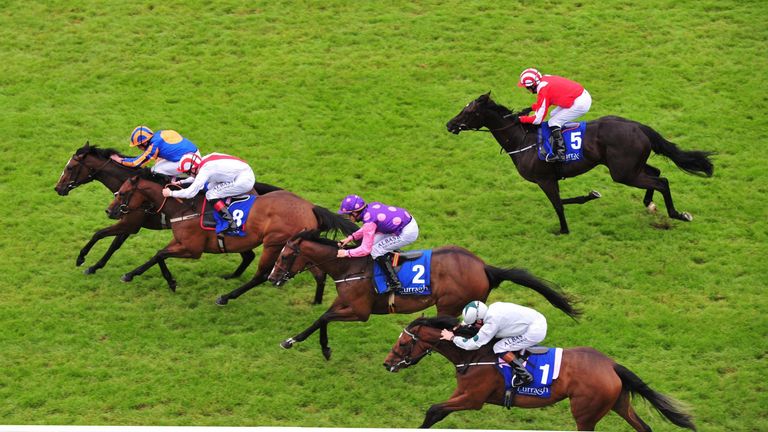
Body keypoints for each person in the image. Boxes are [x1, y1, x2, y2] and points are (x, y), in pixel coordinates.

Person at [440, 300, 548, 388]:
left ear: (479, 321)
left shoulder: (491, 323)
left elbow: (472, 344)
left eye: (474, 324)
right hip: (535, 319)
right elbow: (474, 320)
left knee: (499, 347)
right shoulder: (491, 308)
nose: (474, 326)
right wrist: (461, 324)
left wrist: (452, 338)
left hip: (535, 331)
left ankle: (524, 376)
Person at [336, 194, 419, 293]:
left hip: (407, 232)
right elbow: (367, 228)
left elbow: (365, 250)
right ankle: (392, 256)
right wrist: (351, 238)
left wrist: (346, 253)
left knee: (376, 250)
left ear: (354, 213)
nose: (348, 218)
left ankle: (395, 283)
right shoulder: (369, 209)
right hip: (402, 225)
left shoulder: (369, 221)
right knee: (374, 243)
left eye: (347, 215)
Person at [161, 153, 255, 232]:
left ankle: (231, 223)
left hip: (244, 179)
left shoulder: (205, 170)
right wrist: (182, 181)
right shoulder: (202, 161)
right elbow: (198, 177)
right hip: (240, 172)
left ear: (193, 169)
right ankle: (225, 205)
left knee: (211, 194)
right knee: (210, 187)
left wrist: (171, 193)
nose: (187, 174)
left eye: (187, 173)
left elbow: (190, 193)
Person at [516, 68, 592, 162]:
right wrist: (531, 108)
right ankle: (561, 136)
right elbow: (546, 102)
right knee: (553, 114)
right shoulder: (545, 78)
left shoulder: (543, 89)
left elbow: (537, 119)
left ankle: (561, 153)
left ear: (532, 86)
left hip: (580, 103)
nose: (527, 90)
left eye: (527, 88)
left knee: (553, 121)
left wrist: (520, 119)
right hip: (577, 96)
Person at [111, 126, 200, 175]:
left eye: (139, 146)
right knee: (158, 163)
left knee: (154, 170)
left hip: (189, 160)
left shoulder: (153, 145)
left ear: (144, 143)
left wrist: (120, 160)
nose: (139, 148)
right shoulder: (159, 134)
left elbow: (136, 163)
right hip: (193, 153)